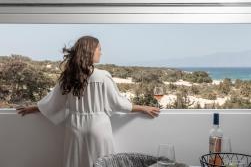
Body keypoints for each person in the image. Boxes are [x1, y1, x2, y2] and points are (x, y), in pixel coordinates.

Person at [16, 35, 160, 167]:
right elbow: (117, 102)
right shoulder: (103, 76)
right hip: (98, 127)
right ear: (90, 51)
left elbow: (54, 102)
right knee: (104, 163)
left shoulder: (69, 76)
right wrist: (142, 108)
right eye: (99, 49)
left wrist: (32, 108)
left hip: (74, 129)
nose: (101, 52)